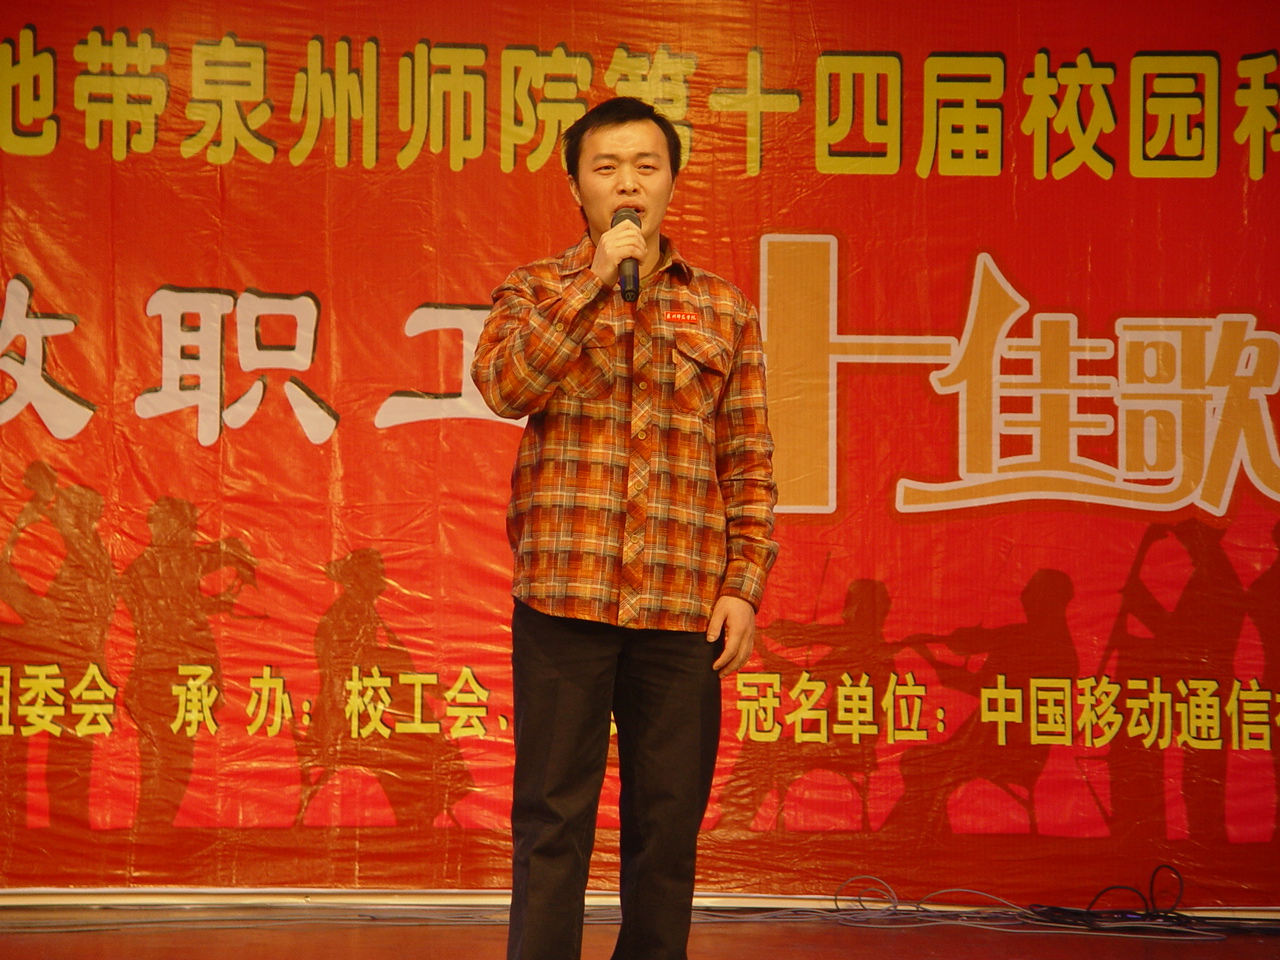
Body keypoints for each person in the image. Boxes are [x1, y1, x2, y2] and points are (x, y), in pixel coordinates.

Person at [471, 96, 777, 960]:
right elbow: (504, 387)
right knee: (552, 820)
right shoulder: (535, 289)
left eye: (646, 166)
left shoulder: (723, 308)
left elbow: (748, 457)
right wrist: (595, 283)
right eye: (607, 168)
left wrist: (743, 585)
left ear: (672, 181)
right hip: (564, 598)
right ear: (577, 187)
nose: (629, 184)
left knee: (667, 826)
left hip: (682, 606)